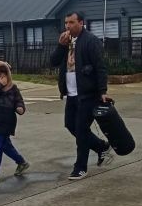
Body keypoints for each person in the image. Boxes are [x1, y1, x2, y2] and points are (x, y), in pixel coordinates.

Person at [49, 11, 114, 180]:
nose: (68, 26)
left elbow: (100, 67)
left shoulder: (90, 41)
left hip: (87, 94)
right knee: (70, 125)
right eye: (66, 23)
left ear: (81, 23)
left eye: (71, 22)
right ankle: (101, 147)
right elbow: (53, 61)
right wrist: (60, 46)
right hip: (71, 94)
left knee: (81, 129)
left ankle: (80, 167)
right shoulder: (66, 41)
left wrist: (102, 91)